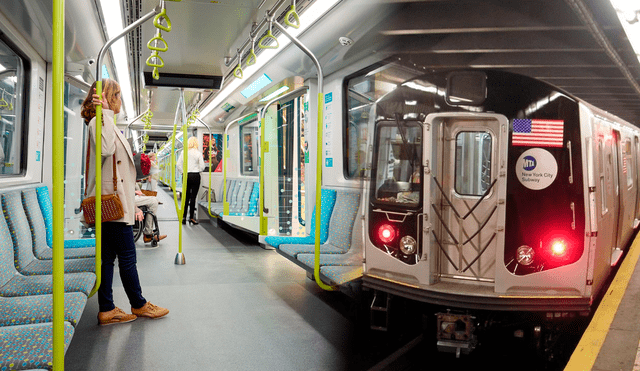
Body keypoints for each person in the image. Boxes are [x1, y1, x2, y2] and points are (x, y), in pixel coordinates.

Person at [81, 78, 169, 325]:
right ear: (108, 97)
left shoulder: (106, 122)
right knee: (128, 257)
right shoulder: (98, 122)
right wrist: (104, 112)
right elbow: (106, 150)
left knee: (107, 258)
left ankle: (107, 308)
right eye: (117, 95)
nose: (119, 100)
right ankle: (139, 305)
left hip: (114, 202)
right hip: (113, 204)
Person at [177, 136, 205, 225]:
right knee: (193, 197)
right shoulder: (198, 153)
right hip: (195, 175)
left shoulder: (183, 152)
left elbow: (178, 165)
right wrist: (197, 170)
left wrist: (183, 172)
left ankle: (184, 217)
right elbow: (202, 166)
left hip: (186, 175)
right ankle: (192, 217)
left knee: (186, 197)